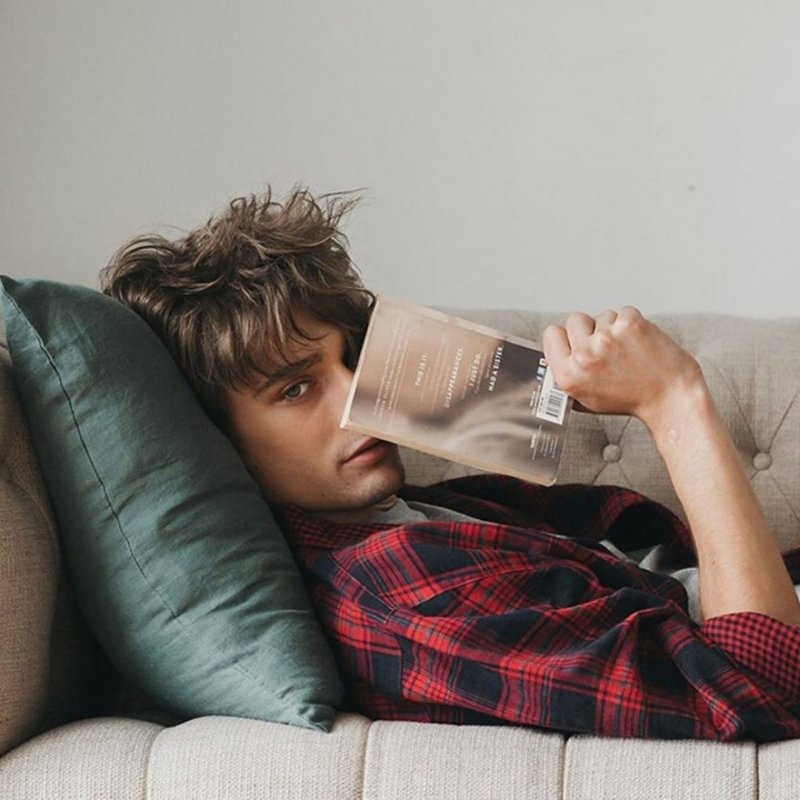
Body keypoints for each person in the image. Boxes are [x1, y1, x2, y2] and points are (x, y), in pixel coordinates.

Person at [101, 187, 800, 741]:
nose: (355, 399)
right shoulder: (397, 590)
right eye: (296, 389)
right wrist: (674, 403)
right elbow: (758, 681)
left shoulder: (411, 515)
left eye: (349, 357)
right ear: (218, 442)